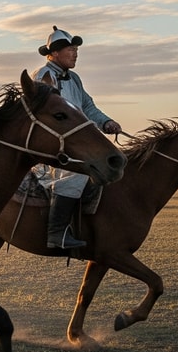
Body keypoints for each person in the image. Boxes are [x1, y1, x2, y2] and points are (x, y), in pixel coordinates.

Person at [32, 26, 122, 249]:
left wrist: (106, 122)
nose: (75, 53)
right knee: (78, 173)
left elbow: (88, 107)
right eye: (70, 49)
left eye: (76, 49)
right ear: (52, 54)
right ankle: (57, 233)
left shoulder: (74, 79)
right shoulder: (43, 76)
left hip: (73, 145)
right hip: (52, 148)